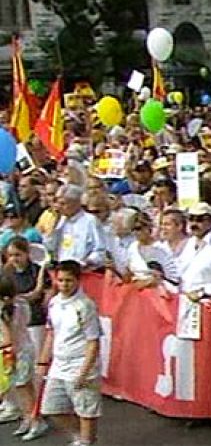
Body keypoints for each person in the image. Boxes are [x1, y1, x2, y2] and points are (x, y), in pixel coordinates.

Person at [37, 260, 102, 446]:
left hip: (80, 363)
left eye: (69, 281)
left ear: (78, 281)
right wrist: (43, 362)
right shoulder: (54, 303)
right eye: (60, 280)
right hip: (59, 365)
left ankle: (86, 441)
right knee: (51, 409)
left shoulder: (85, 306)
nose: (64, 285)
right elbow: (51, 333)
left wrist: (84, 372)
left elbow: (93, 342)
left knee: (85, 410)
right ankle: (80, 437)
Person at [0, 275, 49, 441]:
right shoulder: (21, 302)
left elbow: (7, 340)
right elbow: (35, 292)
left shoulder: (4, 312)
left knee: (22, 389)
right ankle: (30, 418)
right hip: (25, 349)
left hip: (14, 353)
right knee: (25, 387)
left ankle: (35, 420)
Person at [177, 202, 211, 300]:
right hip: (183, 299)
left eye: (199, 220)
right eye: (191, 219)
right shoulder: (188, 243)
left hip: (206, 300)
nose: (194, 224)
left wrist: (203, 292)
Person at [46, 184, 107, 270]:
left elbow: (100, 249)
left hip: (83, 269)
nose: (59, 207)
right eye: (57, 203)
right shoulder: (59, 220)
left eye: (63, 203)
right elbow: (49, 246)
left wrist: (87, 262)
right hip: (61, 269)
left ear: (76, 203)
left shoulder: (90, 221)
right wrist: (54, 226)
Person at [125, 211, 179, 289]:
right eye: (132, 230)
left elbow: (173, 278)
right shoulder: (132, 247)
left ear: (148, 227)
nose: (135, 233)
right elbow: (129, 272)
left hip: (158, 291)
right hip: (136, 290)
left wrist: (150, 281)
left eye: (138, 228)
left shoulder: (161, 248)